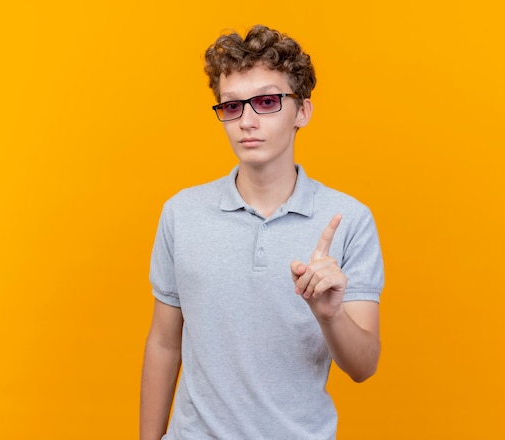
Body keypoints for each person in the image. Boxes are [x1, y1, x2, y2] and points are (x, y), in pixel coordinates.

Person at [140, 25, 384, 440]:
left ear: (302, 112)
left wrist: (330, 316)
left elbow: (363, 366)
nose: (247, 121)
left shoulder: (348, 218)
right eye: (232, 106)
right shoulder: (182, 212)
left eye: (267, 101)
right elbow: (164, 343)